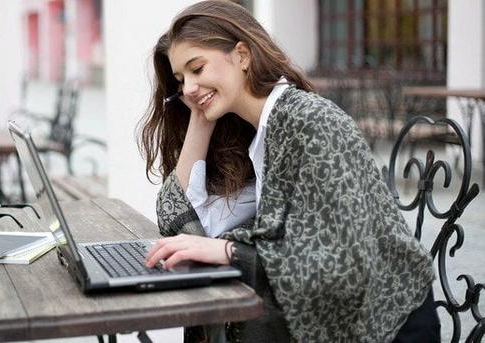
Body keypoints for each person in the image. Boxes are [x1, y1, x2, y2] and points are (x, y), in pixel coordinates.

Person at [137, 1, 439, 342]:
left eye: (198, 68)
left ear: (242, 56)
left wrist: (229, 252)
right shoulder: (255, 133)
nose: (188, 88)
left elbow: (344, 259)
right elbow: (180, 217)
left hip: (386, 324)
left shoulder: (310, 120)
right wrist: (200, 114)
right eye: (181, 80)